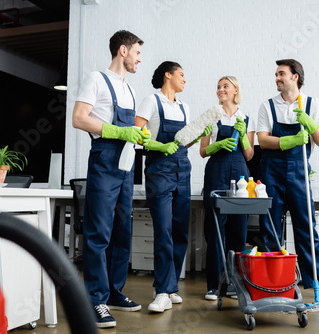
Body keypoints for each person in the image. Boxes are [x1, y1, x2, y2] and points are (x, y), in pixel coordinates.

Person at [72, 30, 150, 328]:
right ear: (123, 51)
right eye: (137, 53)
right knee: (98, 233)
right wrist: (118, 131)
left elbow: (129, 127)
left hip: (126, 163)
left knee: (122, 230)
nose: (139, 59)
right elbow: (79, 118)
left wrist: (137, 134)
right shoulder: (96, 78)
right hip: (104, 160)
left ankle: (115, 291)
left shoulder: (128, 88)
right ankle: (95, 300)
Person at [256, 59, 319, 301]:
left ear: (295, 76)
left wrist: (310, 125)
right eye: (276, 74)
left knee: (307, 228)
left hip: (299, 172)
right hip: (271, 172)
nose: (277, 78)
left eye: (281, 74)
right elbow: (263, 140)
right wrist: (287, 141)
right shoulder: (267, 106)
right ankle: (271, 284)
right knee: (270, 229)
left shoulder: (313, 104)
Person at [135, 61, 212, 313]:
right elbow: (137, 134)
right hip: (159, 170)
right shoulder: (151, 101)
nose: (185, 79)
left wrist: (201, 134)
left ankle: (170, 287)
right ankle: (162, 291)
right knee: (164, 231)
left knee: (180, 231)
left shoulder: (184, 107)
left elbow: (184, 143)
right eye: (181, 74)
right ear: (168, 75)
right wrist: (158, 146)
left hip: (183, 170)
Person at [199, 76, 255, 300]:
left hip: (241, 174)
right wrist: (218, 145)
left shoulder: (246, 118)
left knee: (238, 231)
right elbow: (203, 151)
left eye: (225, 86)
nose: (220, 90)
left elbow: (249, 155)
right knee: (215, 232)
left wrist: (242, 136)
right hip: (216, 174)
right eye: (218, 87)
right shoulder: (211, 116)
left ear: (235, 91)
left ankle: (235, 284)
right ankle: (213, 285)